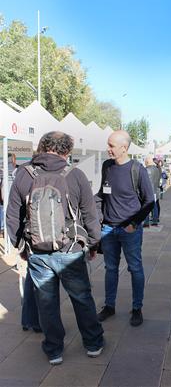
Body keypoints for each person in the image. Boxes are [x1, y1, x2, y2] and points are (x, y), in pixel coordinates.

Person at [6, 131, 104, 365]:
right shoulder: (75, 174)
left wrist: (21, 246)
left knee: (46, 302)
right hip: (70, 250)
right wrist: (93, 243)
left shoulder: (24, 174)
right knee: (81, 298)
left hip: (37, 251)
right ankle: (93, 344)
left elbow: (12, 216)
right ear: (67, 152)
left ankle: (54, 350)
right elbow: (91, 214)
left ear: (41, 147)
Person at [95, 130, 154, 327]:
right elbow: (103, 193)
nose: (108, 149)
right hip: (108, 229)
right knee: (110, 269)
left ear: (124, 148)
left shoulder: (138, 169)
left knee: (135, 268)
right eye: (108, 144)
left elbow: (149, 201)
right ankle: (109, 306)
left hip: (130, 230)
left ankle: (137, 308)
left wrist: (134, 224)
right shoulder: (107, 166)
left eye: (111, 146)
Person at [144, 156, 160, 227]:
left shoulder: (145, 170)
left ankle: (146, 223)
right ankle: (155, 221)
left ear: (147, 162)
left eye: (145, 162)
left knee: (146, 207)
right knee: (154, 206)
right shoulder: (157, 169)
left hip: (147, 191)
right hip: (155, 190)